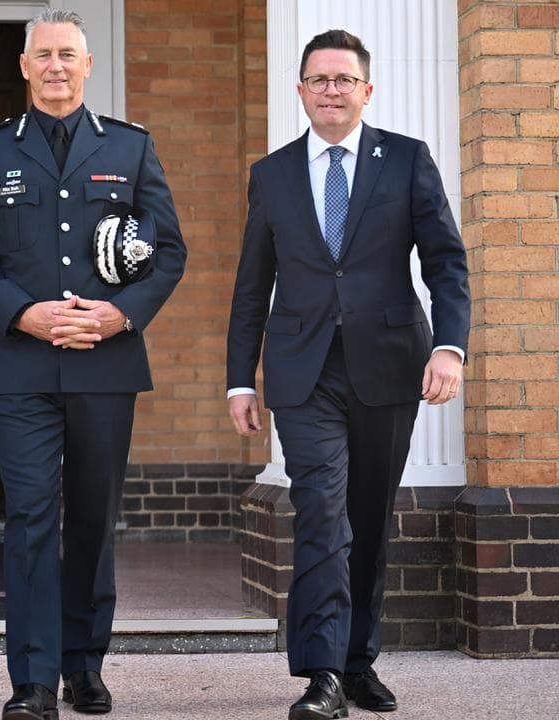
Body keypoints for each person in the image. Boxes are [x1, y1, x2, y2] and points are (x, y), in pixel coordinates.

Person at [225, 29, 469, 720]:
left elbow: (446, 263)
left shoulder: (407, 161)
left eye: (343, 79)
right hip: (303, 373)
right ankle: (323, 674)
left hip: (390, 365)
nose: (331, 90)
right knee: (322, 514)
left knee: (368, 516)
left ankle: (358, 661)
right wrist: (240, 379)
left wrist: (449, 347)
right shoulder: (271, 174)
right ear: (301, 90)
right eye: (319, 79)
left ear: (366, 89)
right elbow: (252, 286)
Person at [0, 10, 185, 719]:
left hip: (104, 367)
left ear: (88, 66)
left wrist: (119, 315)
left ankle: (85, 665)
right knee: (29, 517)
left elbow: (168, 252)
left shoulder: (131, 148)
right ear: (24, 67)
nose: (56, 66)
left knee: (92, 519)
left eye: (68, 55)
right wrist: (22, 312)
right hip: (21, 366)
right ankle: (33, 680)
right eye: (43, 55)